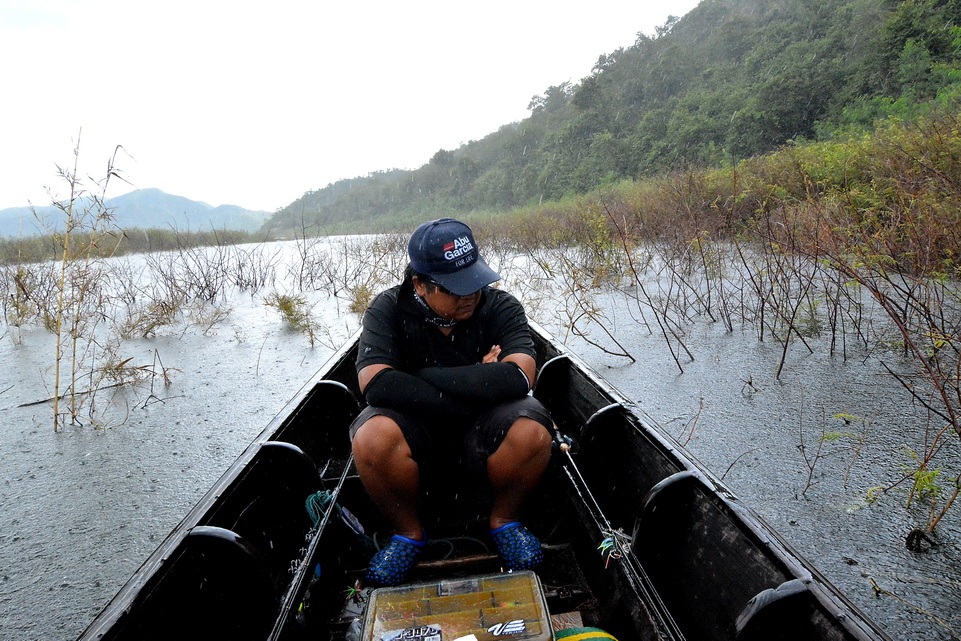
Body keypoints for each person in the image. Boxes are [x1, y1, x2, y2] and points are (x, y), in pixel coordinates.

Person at [349, 217, 554, 586]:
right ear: (420, 285)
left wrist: (419, 375)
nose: (470, 296)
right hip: (419, 432)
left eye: (474, 283)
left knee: (532, 429)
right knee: (372, 435)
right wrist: (478, 378)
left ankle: (504, 520)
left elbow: (520, 376)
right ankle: (408, 533)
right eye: (455, 289)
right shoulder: (388, 310)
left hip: (483, 432)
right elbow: (377, 385)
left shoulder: (501, 307)